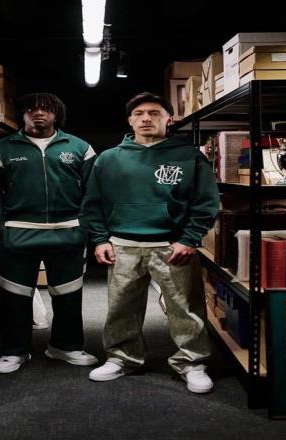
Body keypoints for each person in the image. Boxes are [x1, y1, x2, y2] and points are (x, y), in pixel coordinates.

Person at [80, 92, 219, 393]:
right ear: (130, 120)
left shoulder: (189, 157)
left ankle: (192, 362)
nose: (146, 118)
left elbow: (206, 202)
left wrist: (189, 239)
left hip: (172, 246)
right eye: (139, 113)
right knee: (121, 307)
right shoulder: (109, 159)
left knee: (185, 308)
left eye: (155, 113)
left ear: (169, 119)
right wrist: (100, 239)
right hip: (122, 245)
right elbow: (92, 203)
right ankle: (122, 358)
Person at [0, 92, 98, 373]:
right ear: (22, 115)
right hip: (18, 234)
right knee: (15, 296)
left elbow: (93, 192)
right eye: (31, 109)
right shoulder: (0, 150)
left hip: (67, 233)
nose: (39, 113)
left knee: (69, 295)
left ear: (57, 114)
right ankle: (14, 351)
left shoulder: (80, 148)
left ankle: (66, 347)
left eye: (46, 109)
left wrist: (83, 227)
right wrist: (1, 231)